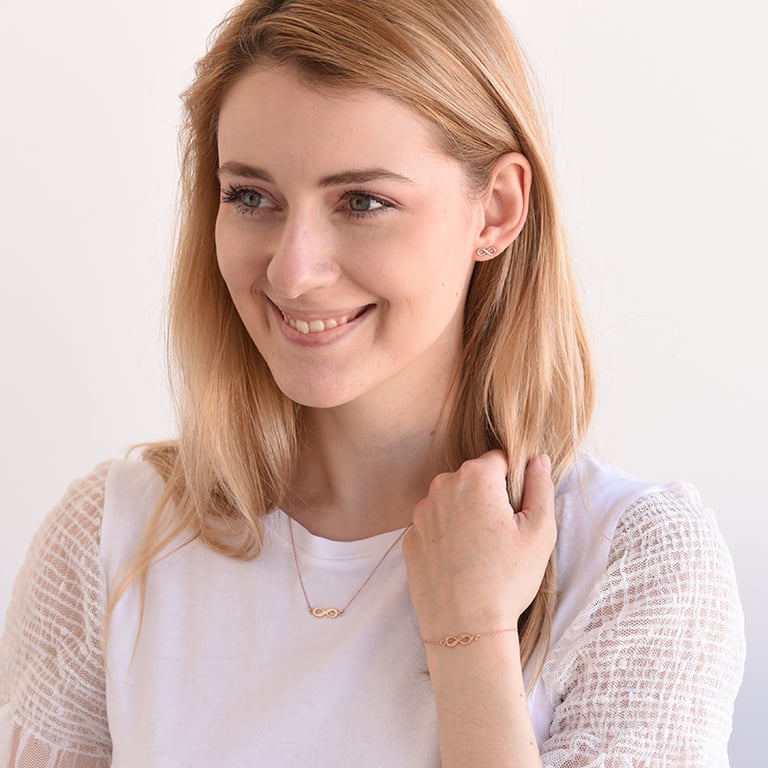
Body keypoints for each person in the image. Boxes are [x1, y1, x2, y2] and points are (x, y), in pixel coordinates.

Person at [0, 0, 745, 765]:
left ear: (496, 209)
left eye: (363, 202)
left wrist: (473, 638)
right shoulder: (110, 540)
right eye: (251, 196)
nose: (293, 270)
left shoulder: (630, 564)